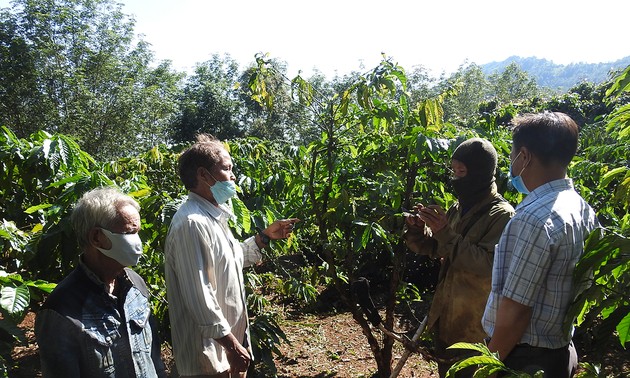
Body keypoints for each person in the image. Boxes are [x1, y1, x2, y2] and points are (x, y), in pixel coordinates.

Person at [164, 134, 299, 378]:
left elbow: (233, 260)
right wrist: (233, 347)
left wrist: (264, 237)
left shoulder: (213, 217)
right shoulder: (191, 223)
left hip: (225, 355)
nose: (234, 176)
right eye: (227, 168)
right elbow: (199, 296)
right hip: (208, 360)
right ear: (204, 175)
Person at [482, 111, 600, 377]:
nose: (512, 164)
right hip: (559, 351)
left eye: (513, 155)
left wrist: (488, 366)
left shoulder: (534, 219)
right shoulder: (582, 209)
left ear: (525, 156)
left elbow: (516, 310)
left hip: (524, 359)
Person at [403, 137, 515, 377]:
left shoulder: (502, 215)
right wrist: (418, 229)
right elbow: (439, 248)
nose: (456, 178)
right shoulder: (457, 208)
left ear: (480, 172)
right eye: (453, 170)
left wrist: (445, 233)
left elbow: (487, 264)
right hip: (448, 320)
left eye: (461, 171)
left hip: (476, 331)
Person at [35, 187, 167, 378]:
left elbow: (154, 360)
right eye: (130, 232)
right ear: (97, 237)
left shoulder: (135, 284)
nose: (138, 241)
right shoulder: (61, 310)